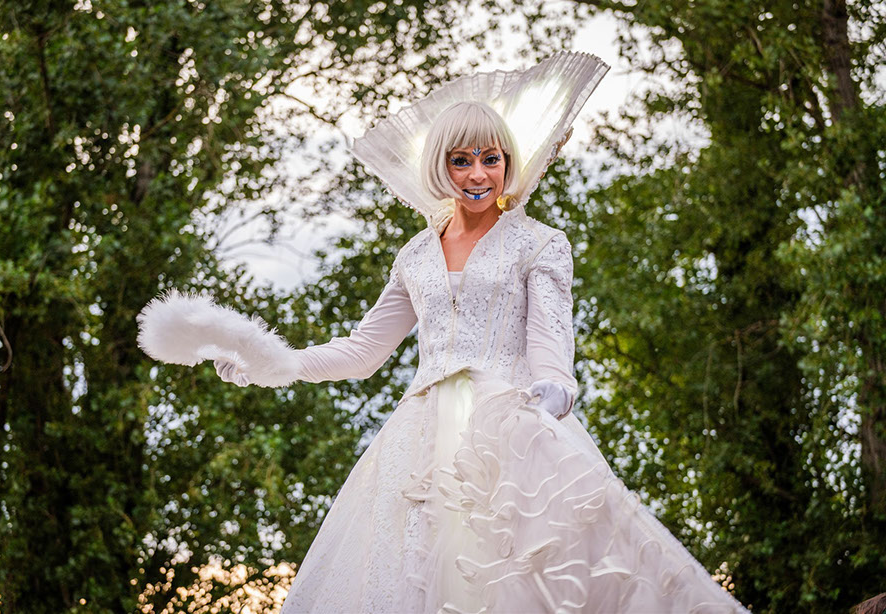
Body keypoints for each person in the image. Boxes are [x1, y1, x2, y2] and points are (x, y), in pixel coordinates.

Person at [139, 52, 748, 613]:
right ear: (442, 166)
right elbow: (364, 351)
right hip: (420, 437)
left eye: (490, 158)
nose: (477, 173)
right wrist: (276, 362)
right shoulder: (416, 255)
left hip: (510, 429)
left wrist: (554, 396)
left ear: (509, 164)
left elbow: (552, 353)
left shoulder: (540, 244)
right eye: (461, 159)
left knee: (529, 574)